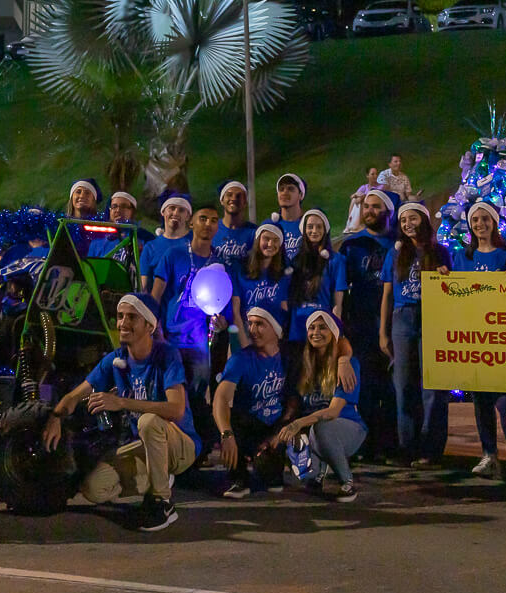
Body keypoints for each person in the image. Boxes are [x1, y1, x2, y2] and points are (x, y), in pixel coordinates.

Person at [43, 292, 198, 531]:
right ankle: (155, 478)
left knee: (148, 421)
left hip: (181, 444)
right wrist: (56, 417)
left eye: (131, 317)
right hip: (146, 445)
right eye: (120, 316)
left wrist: (122, 403)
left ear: (149, 325)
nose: (123, 323)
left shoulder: (167, 355)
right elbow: (76, 395)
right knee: (93, 488)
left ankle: (162, 504)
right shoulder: (115, 359)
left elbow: (176, 409)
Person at [447, 200, 506, 482]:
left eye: (485, 219)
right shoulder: (464, 257)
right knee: (481, 399)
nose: (480, 224)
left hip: (502, 337)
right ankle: (489, 455)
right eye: (475, 220)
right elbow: (454, 292)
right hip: (474, 338)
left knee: (505, 399)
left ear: (494, 222)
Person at [151, 202, 230, 442]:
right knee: (170, 393)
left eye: (214, 220)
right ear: (192, 222)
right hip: (170, 338)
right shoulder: (174, 255)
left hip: (198, 343)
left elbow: (224, 305)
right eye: (203, 218)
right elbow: (156, 295)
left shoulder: (220, 262)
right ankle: (171, 442)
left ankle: (194, 446)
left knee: (197, 394)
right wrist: (156, 331)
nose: (208, 224)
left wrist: (222, 324)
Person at [380, 199, 449, 467]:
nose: (408, 224)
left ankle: (431, 448)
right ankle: (407, 445)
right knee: (404, 384)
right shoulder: (395, 253)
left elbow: (451, 288)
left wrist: (446, 275)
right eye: (403, 220)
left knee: (433, 385)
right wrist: (383, 333)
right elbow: (387, 295)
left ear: (424, 221)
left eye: (414, 218)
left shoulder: (439, 251)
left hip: (431, 317)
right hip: (402, 318)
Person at [275, 309, 365, 501]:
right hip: (315, 430)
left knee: (322, 426)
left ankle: (347, 483)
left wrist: (298, 423)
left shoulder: (348, 365)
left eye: (323, 327)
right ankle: (318, 472)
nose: (316, 332)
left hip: (349, 428)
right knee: (304, 475)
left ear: (333, 333)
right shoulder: (306, 365)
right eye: (312, 328)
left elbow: (333, 412)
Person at [337, 189, 395, 456]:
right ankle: (368, 443)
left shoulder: (397, 242)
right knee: (368, 386)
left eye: (376, 207)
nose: (370, 211)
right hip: (361, 324)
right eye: (367, 207)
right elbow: (339, 285)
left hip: (394, 323)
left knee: (393, 387)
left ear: (387, 212)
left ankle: (392, 442)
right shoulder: (352, 246)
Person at [212, 306, 292, 497]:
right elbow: (221, 398)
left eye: (260, 324)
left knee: (269, 472)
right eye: (251, 323)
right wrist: (226, 434)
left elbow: (294, 402)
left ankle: (274, 471)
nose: (252, 329)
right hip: (248, 425)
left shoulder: (289, 358)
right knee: (231, 422)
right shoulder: (241, 359)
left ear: (276, 328)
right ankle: (239, 478)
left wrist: (278, 435)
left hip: (276, 427)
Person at [287, 208, 347, 345]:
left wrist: (336, 329)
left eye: (319, 227)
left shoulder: (336, 260)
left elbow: (338, 303)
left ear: (325, 230)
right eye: (310, 227)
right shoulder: (296, 261)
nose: (314, 231)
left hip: (322, 327)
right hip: (298, 326)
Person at [231, 222, 290, 346]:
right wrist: (244, 343)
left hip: (271, 341)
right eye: (266, 239)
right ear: (258, 240)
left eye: (275, 240)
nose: (270, 244)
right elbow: (236, 311)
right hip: (247, 336)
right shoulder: (240, 269)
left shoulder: (283, 273)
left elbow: (283, 308)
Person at [139, 189, 193, 294]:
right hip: (159, 307)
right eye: (171, 208)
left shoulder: (195, 243)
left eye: (181, 210)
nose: (176, 213)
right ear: (163, 212)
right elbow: (144, 287)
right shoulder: (151, 247)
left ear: (188, 216)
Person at [212, 180, 257, 267]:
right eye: (229, 195)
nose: (233, 198)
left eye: (239, 196)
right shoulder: (211, 229)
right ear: (222, 200)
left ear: (245, 202)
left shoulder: (254, 233)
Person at [272, 173, 308, 260]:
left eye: (290, 189)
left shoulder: (310, 226)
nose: (285, 192)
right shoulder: (271, 227)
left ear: (300, 195)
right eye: (281, 189)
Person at [345, 166, 382, 232]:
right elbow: (352, 196)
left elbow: (375, 197)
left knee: (362, 200)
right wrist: (357, 195)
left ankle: (356, 225)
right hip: (363, 206)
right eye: (372, 174)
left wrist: (363, 196)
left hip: (374, 207)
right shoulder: (364, 187)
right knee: (354, 200)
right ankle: (350, 221)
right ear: (367, 175)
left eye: (376, 174)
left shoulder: (380, 186)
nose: (375, 176)